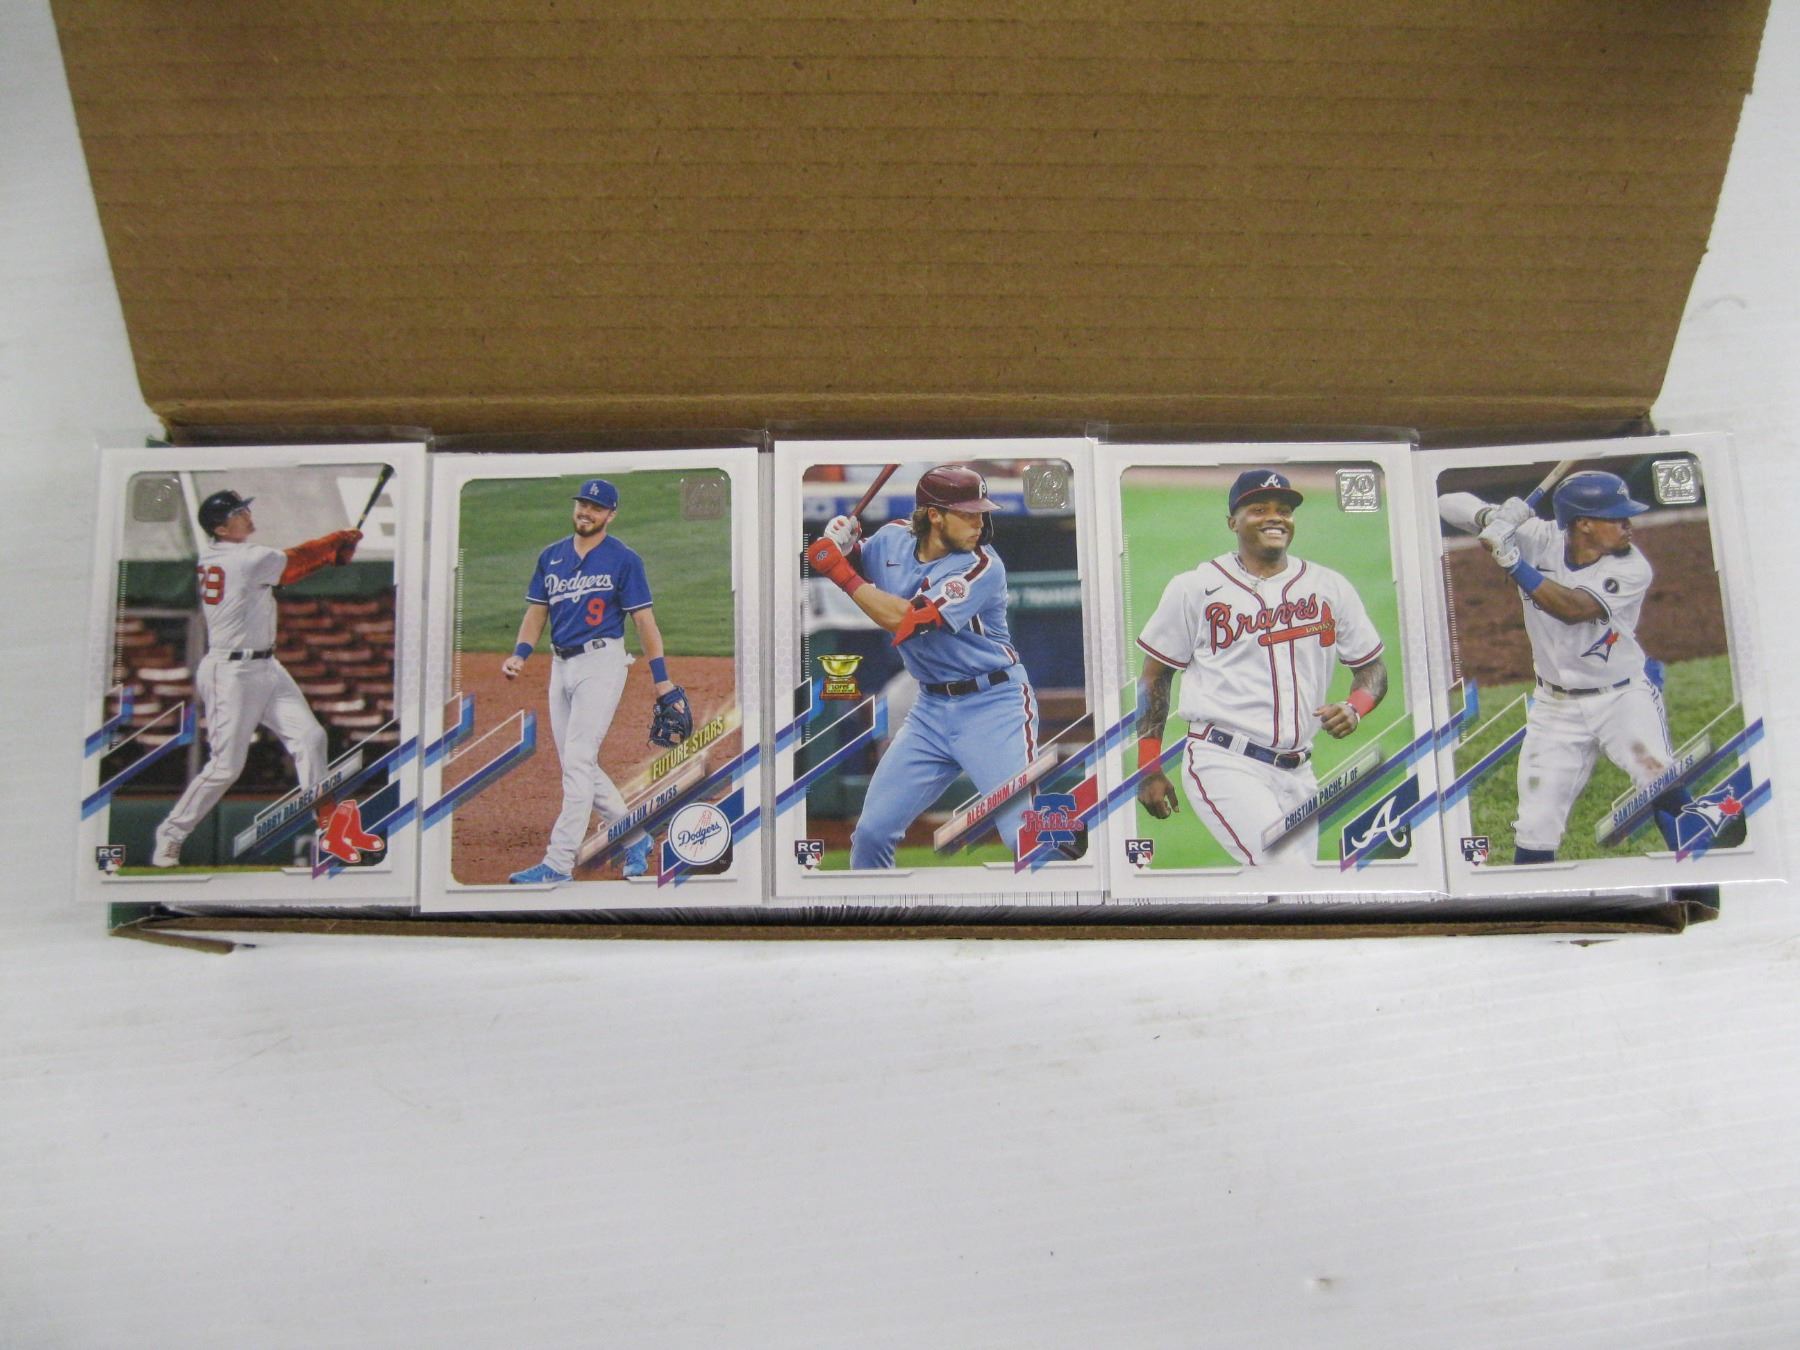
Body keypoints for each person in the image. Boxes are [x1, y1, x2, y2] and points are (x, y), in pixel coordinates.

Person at [1133, 468, 1388, 867]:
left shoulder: (1329, 586)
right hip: (1224, 761)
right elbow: (1155, 676)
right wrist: (1149, 766)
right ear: (1232, 522)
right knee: (1288, 874)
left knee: (1291, 890)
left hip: (1299, 773)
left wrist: (1356, 706)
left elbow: (1372, 668)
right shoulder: (1195, 587)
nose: (1274, 518)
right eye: (1259, 509)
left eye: (1283, 510)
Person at [1439, 469, 1688, 862]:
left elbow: (1572, 609)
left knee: (1659, 780)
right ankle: (1532, 898)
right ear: (1583, 523)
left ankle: (1704, 878)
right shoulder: (1538, 537)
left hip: (1622, 699)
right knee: (1535, 824)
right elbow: (1446, 503)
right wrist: (1493, 517)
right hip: (1554, 706)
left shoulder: (1631, 567)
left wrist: (1511, 561)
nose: (1628, 524)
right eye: (1616, 517)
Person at [805, 464, 1041, 867]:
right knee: (871, 833)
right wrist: (844, 545)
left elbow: (908, 620)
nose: (979, 524)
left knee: (1023, 834)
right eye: (967, 514)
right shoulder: (892, 539)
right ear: (934, 515)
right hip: (931, 711)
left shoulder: (981, 566)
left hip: (994, 707)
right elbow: (860, 560)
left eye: (982, 513)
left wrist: (838, 569)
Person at [150, 490, 361, 867]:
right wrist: (336, 542)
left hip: (266, 666)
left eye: (245, 508)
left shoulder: (228, 555)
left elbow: (290, 566)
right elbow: (294, 563)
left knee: (311, 737)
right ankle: (172, 833)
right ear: (220, 528)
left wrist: (331, 553)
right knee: (226, 767)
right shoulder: (242, 559)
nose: (247, 514)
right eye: (237, 512)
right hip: (230, 673)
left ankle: (328, 826)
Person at [501, 478, 681, 884]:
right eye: (582, 504)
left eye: (596, 508)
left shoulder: (624, 559)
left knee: (579, 760)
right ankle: (635, 837)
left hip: (601, 663)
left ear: (610, 515)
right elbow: (537, 611)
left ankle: (558, 863)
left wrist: (662, 680)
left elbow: (644, 621)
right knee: (576, 762)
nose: (586, 512)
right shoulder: (551, 556)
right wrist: (520, 654)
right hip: (560, 665)